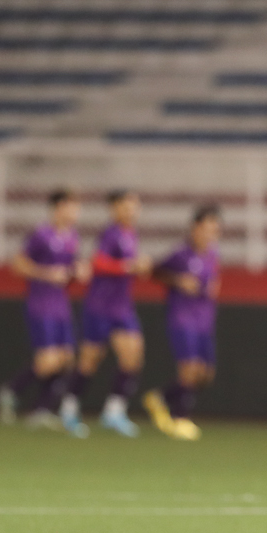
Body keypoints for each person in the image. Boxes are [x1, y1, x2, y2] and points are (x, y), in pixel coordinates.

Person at [59, 189, 151, 437]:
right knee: (90, 360)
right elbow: (98, 262)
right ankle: (68, 409)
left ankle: (114, 411)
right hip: (99, 306)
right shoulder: (110, 234)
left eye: (134, 206)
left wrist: (138, 267)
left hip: (122, 307)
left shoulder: (131, 234)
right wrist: (129, 266)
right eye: (125, 206)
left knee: (133, 355)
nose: (131, 210)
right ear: (114, 209)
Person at [0, 189, 89, 429]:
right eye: (72, 207)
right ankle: (11, 390)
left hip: (61, 304)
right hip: (41, 303)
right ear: (58, 208)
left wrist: (79, 272)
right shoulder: (41, 235)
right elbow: (18, 264)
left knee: (67, 358)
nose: (76, 212)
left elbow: (70, 270)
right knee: (48, 361)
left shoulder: (72, 237)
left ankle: (42, 410)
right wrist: (46, 273)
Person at [143, 206, 222, 441]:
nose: (210, 235)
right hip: (182, 317)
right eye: (206, 229)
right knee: (189, 368)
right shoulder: (180, 255)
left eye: (214, 230)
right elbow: (155, 271)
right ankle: (180, 418)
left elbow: (212, 282)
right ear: (195, 228)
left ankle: (160, 397)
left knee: (205, 374)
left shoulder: (212, 256)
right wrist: (178, 281)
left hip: (204, 320)